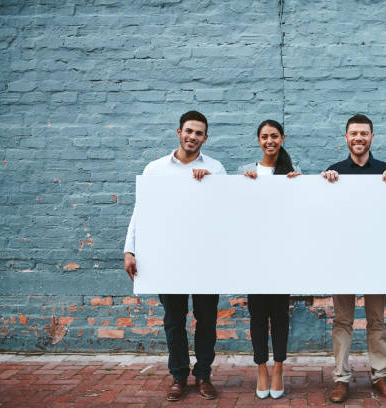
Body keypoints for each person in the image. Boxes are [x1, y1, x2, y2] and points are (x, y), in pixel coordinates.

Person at [123, 110, 226, 402]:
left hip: (205, 258)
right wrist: (129, 249)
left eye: (199, 133)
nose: (193, 137)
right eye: (189, 131)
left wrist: (212, 186)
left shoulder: (216, 169)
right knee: (174, 320)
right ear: (178, 132)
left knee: (206, 319)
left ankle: (204, 375)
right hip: (167, 257)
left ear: (206, 138)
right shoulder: (154, 169)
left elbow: (225, 213)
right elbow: (140, 212)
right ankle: (179, 376)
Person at [321, 114, 386, 403]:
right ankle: (341, 379)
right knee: (342, 321)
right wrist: (325, 184)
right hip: (342, 257)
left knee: (376, 321)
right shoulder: (333, 171)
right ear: (346, 137)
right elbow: (324, 215)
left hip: (376, 257)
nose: (359, 138)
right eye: (354, 133)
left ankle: (380, 377)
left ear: (372, 137)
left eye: (364, 133)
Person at [237, 119, 300, 399]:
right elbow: (235, 209)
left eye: (274, 136)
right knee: (257, 315)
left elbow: (302, 211)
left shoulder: (294, 172)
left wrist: (298, 187)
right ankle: (261, 367)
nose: (269, 141)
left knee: (280, 315)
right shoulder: (246, 171)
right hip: (253, 255)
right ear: (258, 140)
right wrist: (244, 185)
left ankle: (278, 367)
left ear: (282, 138)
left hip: (282, 254)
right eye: (264, 137)